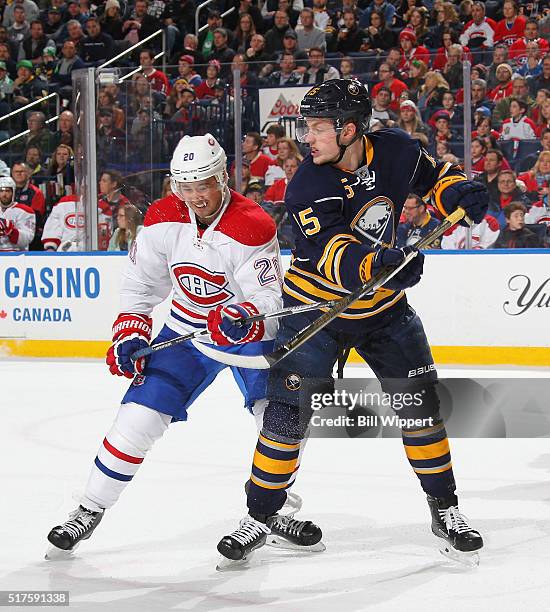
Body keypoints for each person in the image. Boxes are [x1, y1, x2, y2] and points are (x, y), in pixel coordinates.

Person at [213, 79, 488, 565]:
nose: (307, 137)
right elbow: (333, 253)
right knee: (285, 418)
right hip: (319, 313)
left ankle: (446, 510)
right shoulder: (307, 185)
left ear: (351, 130)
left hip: (383, 315)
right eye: (307, 127)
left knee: (421, 411)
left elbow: (434, 176)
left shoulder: (398, 150)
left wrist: (459, 192)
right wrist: (381, 265)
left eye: (317, 127)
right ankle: (260, 516)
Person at [45, 134, 310, 558]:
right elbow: (142, 283)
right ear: (174, 185)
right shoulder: (162, 216)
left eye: (204, 184)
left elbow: (269, 299)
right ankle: (88, 507)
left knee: (280, 420)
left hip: (244, 338)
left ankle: (269, 512)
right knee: (137, 419)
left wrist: (243, 315)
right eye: (186, 186)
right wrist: (131, 329)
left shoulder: (253, 222)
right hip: (185, 333)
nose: (196, 196)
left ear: (223, 177)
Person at [0, 175, 35, 251]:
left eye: (7, 191)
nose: (4, 194)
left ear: (13, 192)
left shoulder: (25, 211)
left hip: (17, 255)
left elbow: (28, 239)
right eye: (1, 191)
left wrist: (11, 231)